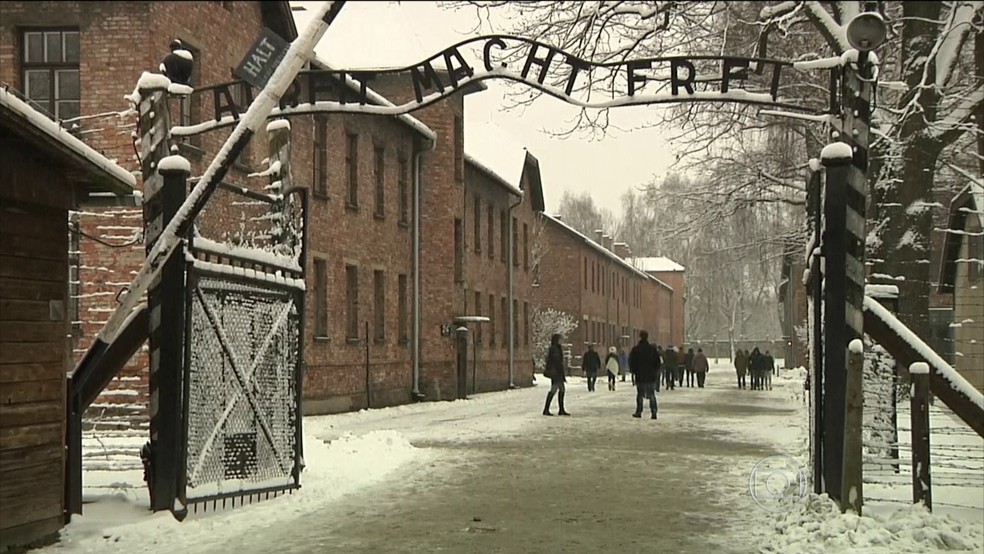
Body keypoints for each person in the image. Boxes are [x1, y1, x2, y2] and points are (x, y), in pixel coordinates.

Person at [629, 330, 660, 419]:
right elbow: (657, 363)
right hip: (650, 376)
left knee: (640, 394)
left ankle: (639, 411)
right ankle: (653, 412)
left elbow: (632, 362)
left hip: (640, 376)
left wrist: (634, 372)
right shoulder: (652, 349)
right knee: (651, 394)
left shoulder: (636, 349)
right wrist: (655, 372)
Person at [543, 333, 570, 416]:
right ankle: (546, 409)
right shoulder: (555, 349)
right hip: (556, 373)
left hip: (557, 372)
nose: (561, 341)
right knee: (554, 390)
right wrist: (560, 371)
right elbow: (556, 361)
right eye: (560, 339)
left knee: (562, 389)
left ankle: (561, 409)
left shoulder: (556, 348)